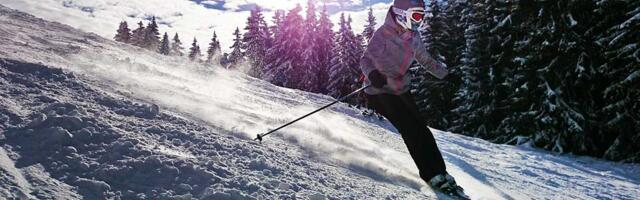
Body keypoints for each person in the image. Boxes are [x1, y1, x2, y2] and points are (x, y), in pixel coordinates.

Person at [359, 0, 465, 196]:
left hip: (400, 89)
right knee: (410, 129)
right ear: (401, 14)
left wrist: (446, 74)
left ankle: (441, 172)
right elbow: (365, 59)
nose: (420, 21)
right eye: (416, 16)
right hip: (379, 91)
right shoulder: (383, 34)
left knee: (422, 130)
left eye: (422, 17)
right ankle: (430, 174)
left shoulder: (414, 37)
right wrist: (373, 73)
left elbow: (426, 60)